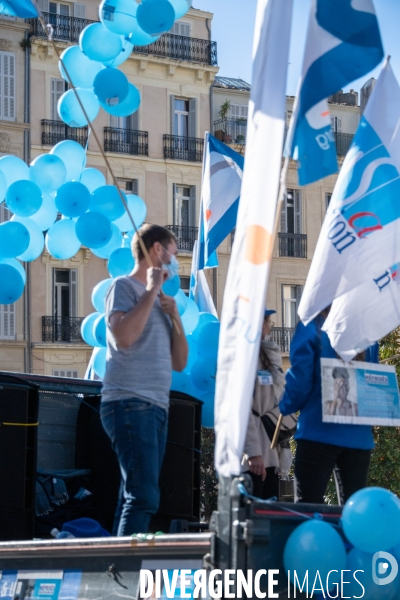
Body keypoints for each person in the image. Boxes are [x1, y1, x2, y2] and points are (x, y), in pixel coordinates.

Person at [100, 224, 188, 535]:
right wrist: (150, 290)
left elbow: (180, 361)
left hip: (155, 405)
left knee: (133, 495)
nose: (175, 262)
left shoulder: (162, 302)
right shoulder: (123, 287)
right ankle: (126, 573)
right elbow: (124, 336)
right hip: (128, 401)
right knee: (143, 496)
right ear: (157, 251)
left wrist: (175, 315)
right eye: (173, 254)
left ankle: (115, 568)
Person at [279, 309, 378, 505]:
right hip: (358, 436)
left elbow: (300, 381)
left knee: (308, 507)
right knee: (354, 511)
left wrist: (284, 405)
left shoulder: (312, 326)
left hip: (317, 431)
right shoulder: (366, 330)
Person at [241, 309, 292, 499]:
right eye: (267, 321)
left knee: (268, 518)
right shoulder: (246, 358)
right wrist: (253, 453)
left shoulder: (266, 355)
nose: (269, 326)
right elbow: (242, 409)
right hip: (253, 459)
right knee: (252, 520)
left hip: (270, 454)